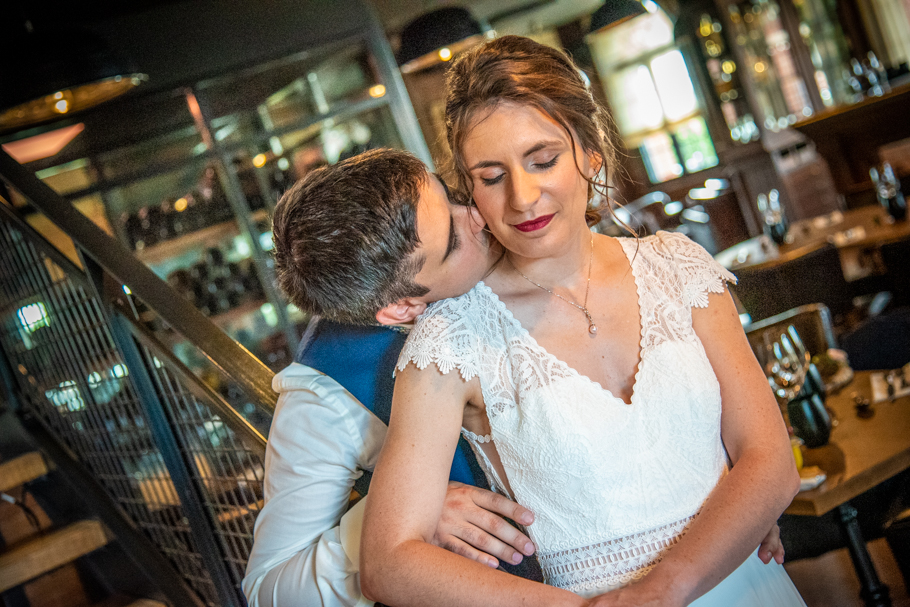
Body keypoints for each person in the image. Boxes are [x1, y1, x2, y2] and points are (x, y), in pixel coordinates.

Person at [358, 36, 804, 606]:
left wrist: (666, 588)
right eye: (491, 177)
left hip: (753, 587)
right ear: (468, 187)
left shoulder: (678, 267)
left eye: (542, 160)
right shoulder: (453, 338)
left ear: (590, 153)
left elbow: (770, 460)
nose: (522, 198)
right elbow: (389, 562)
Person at [247, 146, 786, 606]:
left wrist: (727, 502)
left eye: (452, 194)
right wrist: (407, 513)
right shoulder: (322, 395)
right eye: (452, 243)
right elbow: (271, 586)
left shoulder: (535, 252)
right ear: (403, 308)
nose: (478, 216)